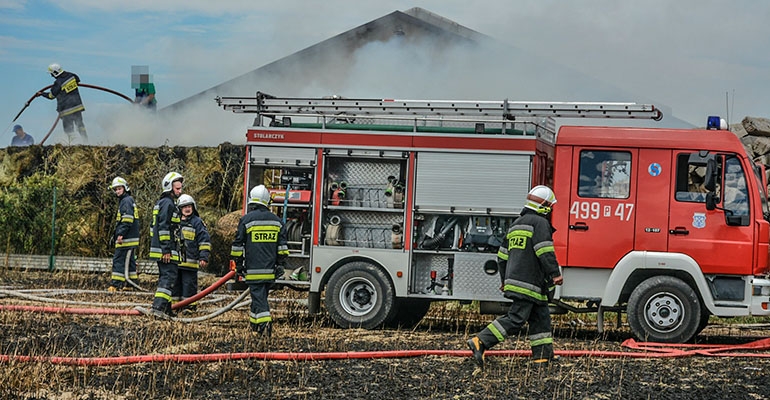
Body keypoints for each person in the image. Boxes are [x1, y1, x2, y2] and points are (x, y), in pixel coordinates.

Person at [467, 185, 564, 370]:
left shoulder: (516, 224)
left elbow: (502, 256)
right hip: (530, 282)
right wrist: (555, 274)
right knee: (516, 318)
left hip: (522, 281)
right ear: (543, 206)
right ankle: (481, 341)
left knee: (540, 317)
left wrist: (504, 280)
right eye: (550, 205)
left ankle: (542, 357)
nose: (551, 209)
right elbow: (544, 251)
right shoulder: (540, 223)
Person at [230, 185, 289, 336]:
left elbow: (237, 245)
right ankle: (255, 325)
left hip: (253, 269)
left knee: (259, 298)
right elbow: (282, 248)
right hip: (270, 270)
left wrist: (239, 264)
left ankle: (265, 326)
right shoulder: (277, 222)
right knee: (260, 297)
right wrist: (281, 265)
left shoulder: (246, 220)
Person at [148, 172, 184, 319]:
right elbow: (164, 228)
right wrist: (166, 249)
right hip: (165, 249)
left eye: (180, 188)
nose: (180, 191)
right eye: (177, 189)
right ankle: (158, 307)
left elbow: (154, 227)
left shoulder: (162, 203)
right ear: (169, 188)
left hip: (161, 248)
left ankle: (166, 309)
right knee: (168, 278)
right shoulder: (168, 204)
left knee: (167, 277)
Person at [172, 194, 211, 313]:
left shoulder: (197, 222)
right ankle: (175, 306)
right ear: (179, 208)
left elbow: (204, 241)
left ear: (193, 207)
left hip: (190, 263)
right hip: (176, 262)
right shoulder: (175, 222)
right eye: (184, 207)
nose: (187, 209)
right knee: (175, 285)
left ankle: (189, 307)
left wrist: (204, 257)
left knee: (189, 285)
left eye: (189, 206)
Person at [40, 63, 87, 142]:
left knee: (68, 129)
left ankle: (72, 144)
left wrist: (42, 94)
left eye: (51, 74)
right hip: (77, 106)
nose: (51, 76)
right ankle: (86, 140)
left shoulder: (58, 82)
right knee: (80, 125)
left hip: (66, 109)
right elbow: (78, 80)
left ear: (55, 72)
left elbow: (51, 96)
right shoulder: (72, 75)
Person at [109, 177, 140, 292]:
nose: (117, 191)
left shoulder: (126, 201)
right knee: (130, 261)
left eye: (119, 189)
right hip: (131, 237)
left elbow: (127, 219)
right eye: (116, 189)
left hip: (126, 238)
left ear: (125, 188)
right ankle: (131, 284)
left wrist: (120, 234)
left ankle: (116, 284)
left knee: (119, 259)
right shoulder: (128, 200)